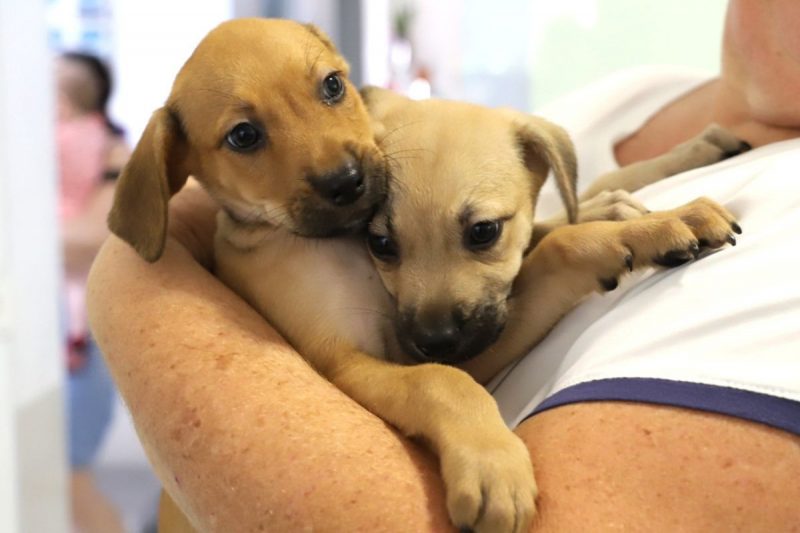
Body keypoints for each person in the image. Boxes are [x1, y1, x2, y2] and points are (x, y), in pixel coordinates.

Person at [86, 1, 800, 530]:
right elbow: (361, 366)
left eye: (330, 90)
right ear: (177, 166)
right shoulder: (273, 253)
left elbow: (487, 232)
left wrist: (594, 218)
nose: (333, 163)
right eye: (247, 137)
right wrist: (124, 278)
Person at [56, 51, 129, 533]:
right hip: (70, 329)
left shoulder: (108, 153)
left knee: (70, 477)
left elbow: (91, 238)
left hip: (81, 338)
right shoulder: (95, 145)